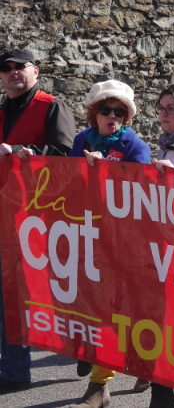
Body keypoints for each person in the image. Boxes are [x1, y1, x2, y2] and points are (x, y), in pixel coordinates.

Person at [62, 80, 150, 407]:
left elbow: (141, 194)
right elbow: (66, 180)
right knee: (83, 301)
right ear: (93, 113)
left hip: (119, 239)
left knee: (109, 310)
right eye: (105, 109)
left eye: (119, 111)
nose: (112, 116)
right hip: (83, 232)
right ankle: (145, 365)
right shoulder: (81, 139)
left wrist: (107, 171)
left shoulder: (135, 145)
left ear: (127, 116)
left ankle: (99, 386)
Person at [0, 48, 75, 394]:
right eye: (7, 69)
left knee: (16, 294)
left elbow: (65, 155)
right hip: (4, 212)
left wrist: (30, 154)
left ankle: (15, 371)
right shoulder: (2, 111)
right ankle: (12, 368)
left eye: (20, 67)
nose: (13, 73)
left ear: (36, 71)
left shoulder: (52, 106)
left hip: (36, 216)